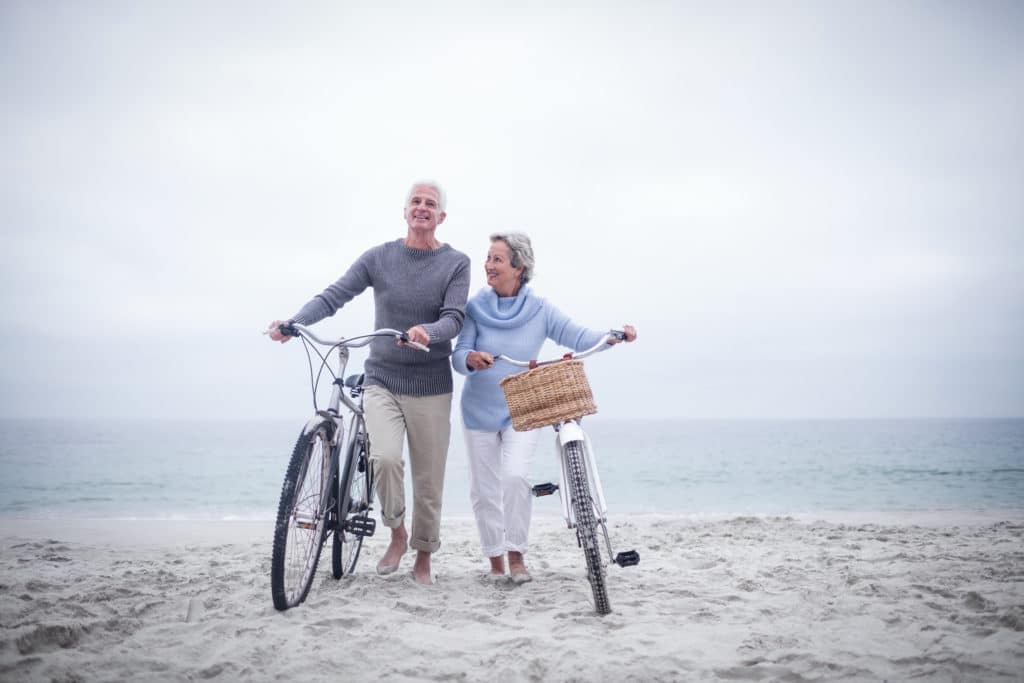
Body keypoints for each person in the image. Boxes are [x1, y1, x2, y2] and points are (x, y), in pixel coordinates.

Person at [268, 181, 470, 585]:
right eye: (416, 201)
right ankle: (397, 533)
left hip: (431, 384)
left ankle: (423, 559)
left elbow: (455, 318)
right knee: (385, 459)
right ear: (405, 210)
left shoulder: (456, 263)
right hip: (383, 378)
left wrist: (428, 332)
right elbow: (334, 295)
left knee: (428, 480)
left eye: (431, 204)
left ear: (441, 216)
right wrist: (296, 322)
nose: (422, 208)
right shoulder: (379, 257)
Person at [452, 233, 636, 582]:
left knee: (516, 477)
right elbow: (458, 354)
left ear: (519, 268)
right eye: (487, 258)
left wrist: (612, 337)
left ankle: (516, 555)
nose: (488, 265)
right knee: (484, 490)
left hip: (522, 411)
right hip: (478, 411)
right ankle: (495, 560)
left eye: (497, 259)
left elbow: (578, 337)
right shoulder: (475, 307)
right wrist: (471, 359)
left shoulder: (539, 308)